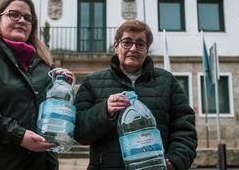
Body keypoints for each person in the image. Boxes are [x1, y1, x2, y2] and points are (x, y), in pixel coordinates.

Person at [0, 0, 73, 170]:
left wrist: (62, 88)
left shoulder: (44, 67)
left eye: (27, 18)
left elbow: (49, 114)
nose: (21, 21)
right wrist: (19, 136)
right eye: (14, 14)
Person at [74, 19, 197, 170]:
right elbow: (79, 132)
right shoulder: (91, 82)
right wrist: (105, 111)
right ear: (116, 46)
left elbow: (185, 129)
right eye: (127, 42)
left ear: (147, 49)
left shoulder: (167, 81)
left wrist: (176, 160)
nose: (133, 49)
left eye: (140, 44)